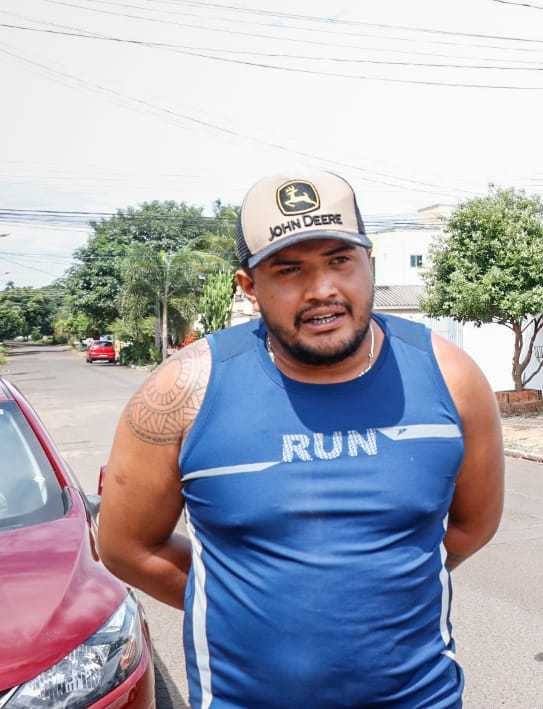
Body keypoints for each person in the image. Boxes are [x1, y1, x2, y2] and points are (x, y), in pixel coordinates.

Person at [99, 171, 504, 708]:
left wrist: (380, 587)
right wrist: (245, 603)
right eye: (289, 270)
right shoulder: (182, 391)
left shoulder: (451, 378)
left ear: (369, 264)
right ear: (248, 286)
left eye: (340, 260)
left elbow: (472, 526)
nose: (322, 291)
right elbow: (126, 547)